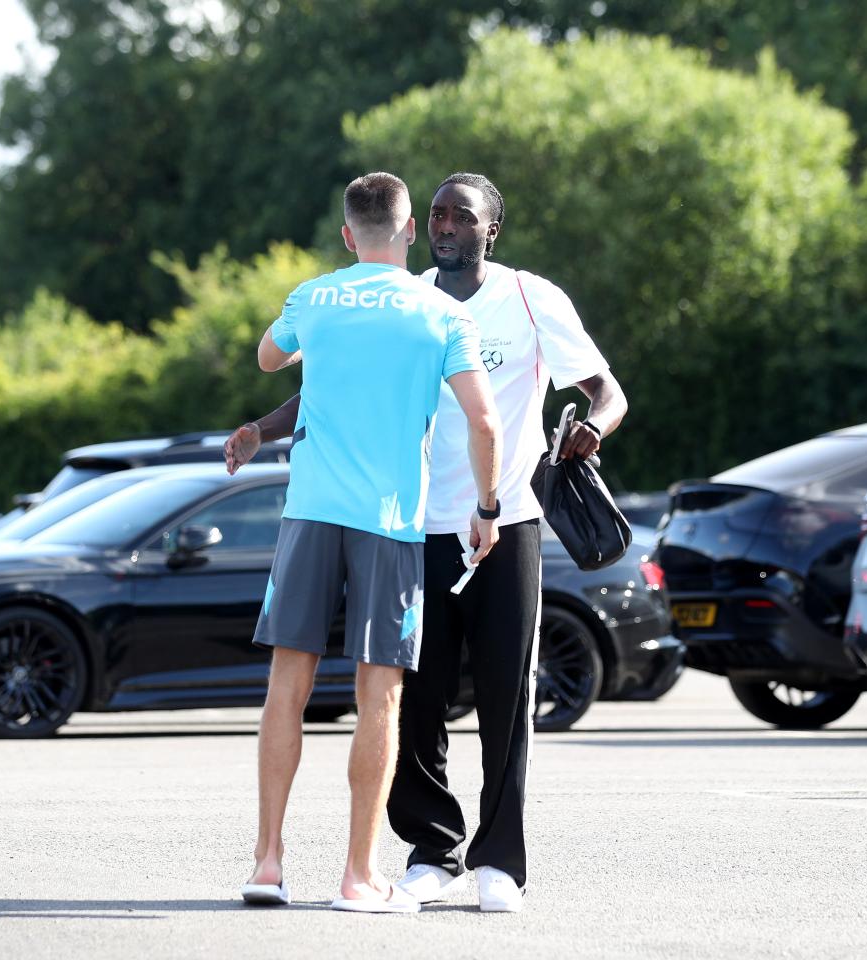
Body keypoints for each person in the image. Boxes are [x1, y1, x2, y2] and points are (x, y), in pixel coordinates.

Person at [227, 172, 625, 913]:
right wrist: (264, 427)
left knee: (505, 693)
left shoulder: (530, 298)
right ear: (414, 228)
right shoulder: (414, 300)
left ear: (491, 229)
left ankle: (499, 861)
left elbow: (607, 391)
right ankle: (431, 852)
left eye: (461, 216)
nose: (446, 226)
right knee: (413, 701)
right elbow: (329, 389)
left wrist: (589, 432)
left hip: (503, 521)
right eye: (436, 214)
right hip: (413, 522)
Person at [238, 171, 502, 915]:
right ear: (411, 230)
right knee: (378, 693)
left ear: (347, 234)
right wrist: (487, 507)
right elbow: (484, 422)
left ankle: (267, 863)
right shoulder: (443, 312)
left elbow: (268, 358)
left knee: (287, 684)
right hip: (390, 521)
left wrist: (320, 341)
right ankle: (359, 877)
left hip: (310, 510)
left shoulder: (314, 297)